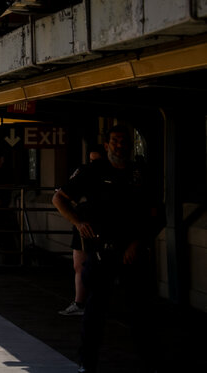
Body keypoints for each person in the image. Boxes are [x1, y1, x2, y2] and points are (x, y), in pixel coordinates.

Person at [51, 126, 162, 373]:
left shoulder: (140, 174)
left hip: (134, 252)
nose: (119, 146)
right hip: (103, 252)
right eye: (115, 141)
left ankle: (150, 362)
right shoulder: (93, 172)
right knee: (94, 313)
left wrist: (137, 243)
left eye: (124, 142)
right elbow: (59, 199)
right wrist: (78, 223)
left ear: (131, 146)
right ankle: (87, 363)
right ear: (107, 144)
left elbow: (156, 215)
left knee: (142, 313)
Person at [59, 144, 107, 316]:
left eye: (98, 160)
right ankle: (81, 302)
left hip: (98, 223)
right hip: (84, 221)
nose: (94, 164)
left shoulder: (110, 174)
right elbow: (61, 196)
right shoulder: (84, 172)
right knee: (80, 264)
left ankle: (85, 303)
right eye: (92, 160)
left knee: (94, 265)